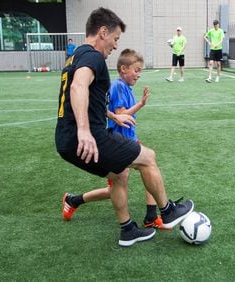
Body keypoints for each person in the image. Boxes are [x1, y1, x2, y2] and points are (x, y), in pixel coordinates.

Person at [55, 7, 194, 247]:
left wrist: (113, 116)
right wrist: (84, 130)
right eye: (115, 38)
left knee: (120, 174)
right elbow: (78, 88)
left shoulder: (75, 56)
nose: (116, 45)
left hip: (65, 141)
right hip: (88, 137)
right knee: (148, 158)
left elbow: (85, 95)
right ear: (102, 32)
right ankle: (168, 212)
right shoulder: (94, 56)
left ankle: (128, 230)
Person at [62, 48, 167, 230]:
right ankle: (74, 200)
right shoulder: (118, 86)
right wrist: (140, 105)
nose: (138, 74)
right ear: (123, 69)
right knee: (117, 186)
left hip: (129, 139)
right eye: (136, 70)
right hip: (118, 142)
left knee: (148, 168)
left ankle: (151, 216)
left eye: (140, 70)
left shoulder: (125, 87)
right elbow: (120, 114)